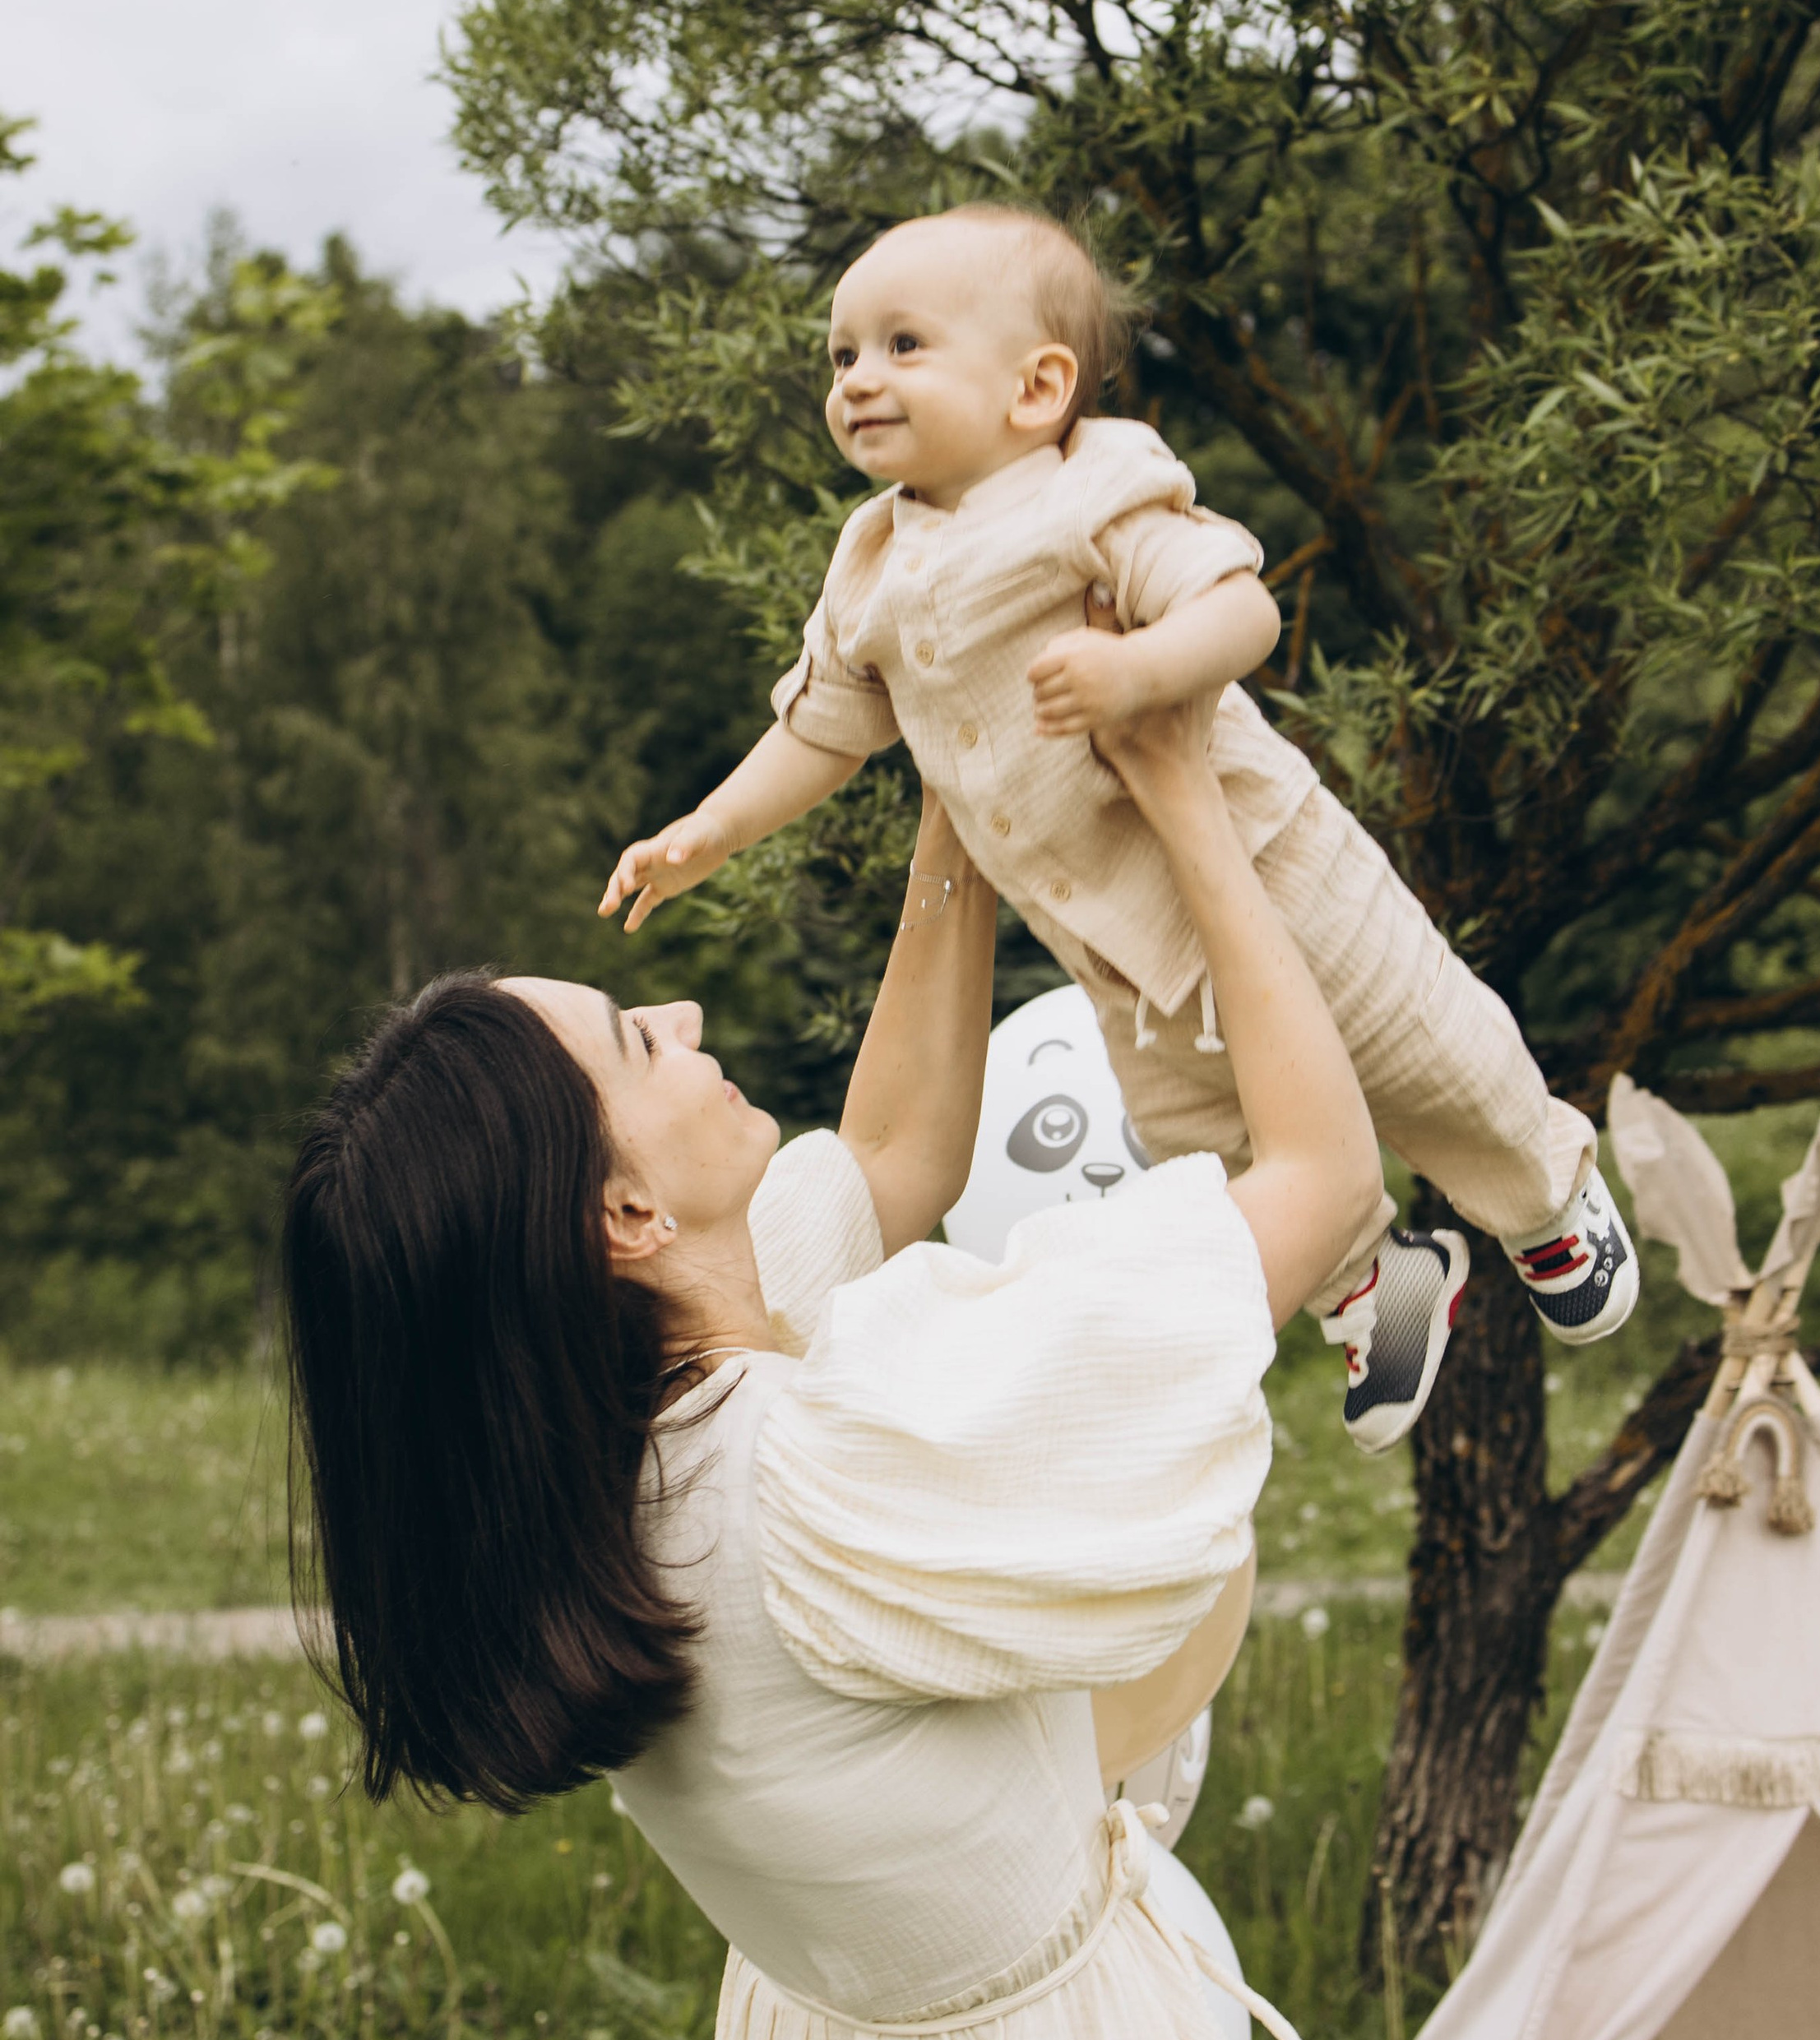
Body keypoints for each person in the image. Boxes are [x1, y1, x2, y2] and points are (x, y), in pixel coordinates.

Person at [283, 697, 1446, 2040]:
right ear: (623, 1223)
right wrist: (1179, 794)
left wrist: (955, 805)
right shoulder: (838, 1464)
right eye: (644, 1047)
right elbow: (1325, 1174)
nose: (695, 1028)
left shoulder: (609, 1461)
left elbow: (899, 1154)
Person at [600, 201, 1639, 1455]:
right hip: (1114, 951)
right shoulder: (867, 561)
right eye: (842, 356)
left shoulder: (1091, 489)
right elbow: (826, 728)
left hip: (1272, 866)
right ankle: (1374, 1278)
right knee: (1213, 1145)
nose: (860, 378)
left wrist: (1143, 672)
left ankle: (1542, 1193)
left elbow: (1240, 612)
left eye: (902, 346)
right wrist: (710, 830)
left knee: (1424, 1045)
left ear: (1038, 387)